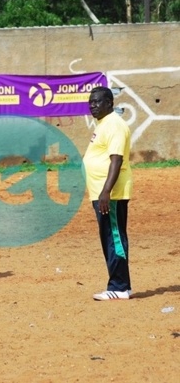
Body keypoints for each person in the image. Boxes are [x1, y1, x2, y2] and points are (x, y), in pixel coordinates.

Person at [83, 87, 133, 301]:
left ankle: (120, 286)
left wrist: (106, 191)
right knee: (110, 237)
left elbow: (116, 159)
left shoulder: (114, 125)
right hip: (102, 193)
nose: (93, 105)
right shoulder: (103, 124)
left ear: (109, 103)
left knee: (114, 237)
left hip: (110, 193)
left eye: (97, 102)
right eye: (91, 102)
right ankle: (120, 284)